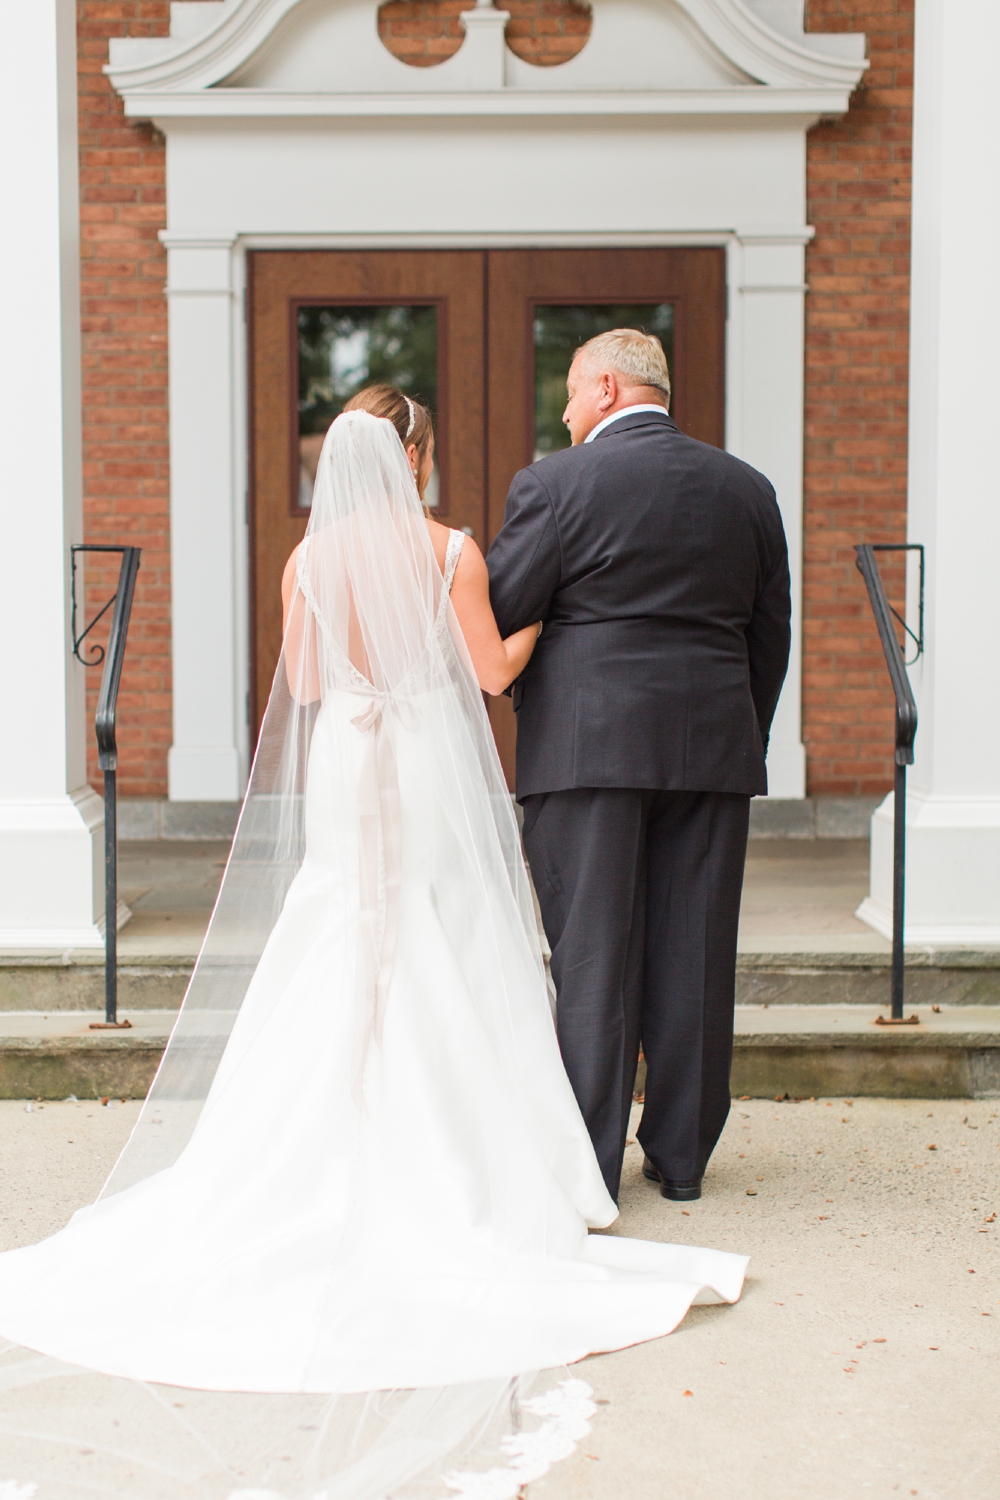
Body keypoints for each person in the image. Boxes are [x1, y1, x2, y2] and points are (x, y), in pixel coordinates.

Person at [0, 386, 746, 1497]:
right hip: (428, 770)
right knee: (445, 936)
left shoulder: (308, 565)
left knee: (341, 926)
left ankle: (313, 1140)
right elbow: (492, 673)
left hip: (350, 770)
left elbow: (303, 685)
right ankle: (472, 1160)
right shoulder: (449, 549)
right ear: (417, 456)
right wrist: (552, 623)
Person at [487, 330, 791, 1205]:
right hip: (713, 749)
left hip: (588, 751)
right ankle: (683, 1158)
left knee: (594, 955)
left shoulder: (554, 483)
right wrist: (743, 735)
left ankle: (589, 1166)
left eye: (575, 395)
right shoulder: (748, 489)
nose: (567, 411)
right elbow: (769, 634)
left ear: (610, 388)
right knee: (695, 951)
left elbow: (506, 608)